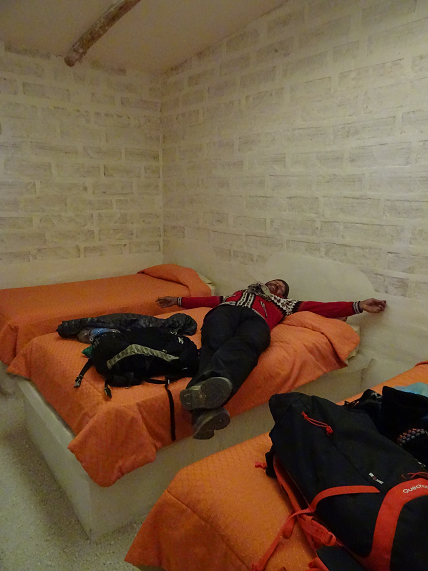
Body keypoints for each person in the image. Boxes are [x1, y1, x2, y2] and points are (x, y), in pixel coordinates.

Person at [156, 279, 386, 440]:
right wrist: (178, 300)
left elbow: (321, 307)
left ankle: (199, 397)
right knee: (215, 342)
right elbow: (210, 300)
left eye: (281, 288)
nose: (277, 286)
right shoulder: (238, 294)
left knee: (252, 342)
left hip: (257, 320)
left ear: (282, 296)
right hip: (225, 312)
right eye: (274, 283)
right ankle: (203, 410)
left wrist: (358, 306)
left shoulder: (285, 305)